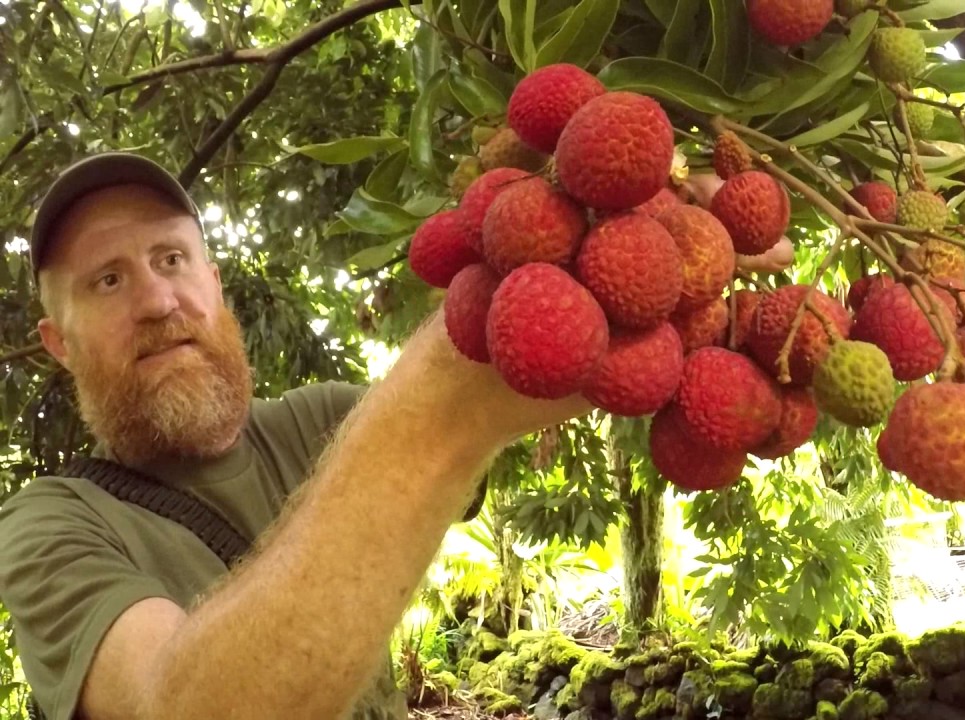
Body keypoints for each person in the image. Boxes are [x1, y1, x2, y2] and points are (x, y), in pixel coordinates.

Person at [0, 152, 594, 720]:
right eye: (107, 281)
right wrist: (437, 406)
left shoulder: (328, 420)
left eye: (172, 260)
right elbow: (179, 707)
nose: (157, 301)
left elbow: (566, 357)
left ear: (213, 284)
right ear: (59, 344)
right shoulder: (49, 525)